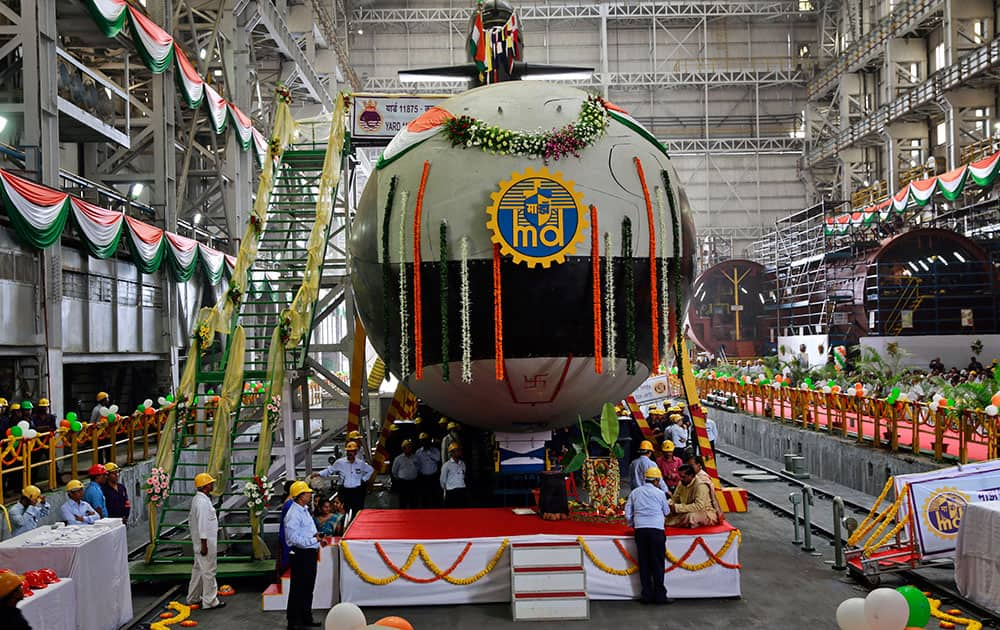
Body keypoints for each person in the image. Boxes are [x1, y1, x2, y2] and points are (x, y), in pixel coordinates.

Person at [624, 467, 673, 605]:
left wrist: (632, 523)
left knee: (644, 563)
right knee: (657, 564)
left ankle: (646, 595)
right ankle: (660, 596)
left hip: (640, 531)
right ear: (656, 480)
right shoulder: (660, 493)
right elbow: (667, 512)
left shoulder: (635, 492)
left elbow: (627, 513)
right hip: (657, 531)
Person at [284, 480, 322, 629]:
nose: (310, 494)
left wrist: (316, 539)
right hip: (301, 554)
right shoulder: (294, 514)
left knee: (307, 588)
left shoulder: (304, 510)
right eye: (307, 493)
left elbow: (307, 532)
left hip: (309, 553)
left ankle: (306, 617)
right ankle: (294, 621)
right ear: (300, 496)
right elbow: (294, 539)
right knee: (298, 588)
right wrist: (313, 540)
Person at [187, 472, 225, 611]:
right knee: (209, 571)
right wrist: (204, 544)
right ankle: (210, 601)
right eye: (210, 483)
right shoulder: (202, 503)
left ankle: (193, 598)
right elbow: (203, 524)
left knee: (198, 570)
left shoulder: (199, 500)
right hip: (205, 542)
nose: (212, 485)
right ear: (205, 486)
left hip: (202, 541)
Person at [314, 441, 373, 517]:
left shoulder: (360, 463)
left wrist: (364, 479)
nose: (350, 453)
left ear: (355, 452)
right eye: (348, 451)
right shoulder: (340, 463)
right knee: (343, 509)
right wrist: (318, 473)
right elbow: (329, 470)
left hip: (358, 491)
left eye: (352, 451)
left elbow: (370, 470)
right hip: (345, 491)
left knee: (358, 510)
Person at [414, 432, 441, 508]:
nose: (424, 442)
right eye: (422, 441)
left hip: (433, 477)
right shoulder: (418, 452)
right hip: (423, 478)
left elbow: (438, 459)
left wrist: (429, 453)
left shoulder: (435, 450)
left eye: (426, 440)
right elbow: (417, 464)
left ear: (429, 441)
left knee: (435, 496)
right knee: (424, 496)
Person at [391, 439, 420, 509]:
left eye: (410, 447)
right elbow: (394, 471)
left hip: (413, 482)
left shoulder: (415, 457)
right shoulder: (398, 459)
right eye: (408, 447)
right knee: (403, 501)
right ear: (403, 448)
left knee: (414, 501)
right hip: (403, 483)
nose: (409, 448)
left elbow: (419, 467)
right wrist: (400, 478)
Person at [440, 442, 467, 507]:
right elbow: (442, 481)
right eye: (455, 451)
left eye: (458, 450)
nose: (458, 452)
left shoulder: (462, 464)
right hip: (451, 492)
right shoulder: (446, 465)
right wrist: (445, 491)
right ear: (451, 453)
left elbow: (464, 475)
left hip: (462, 491)